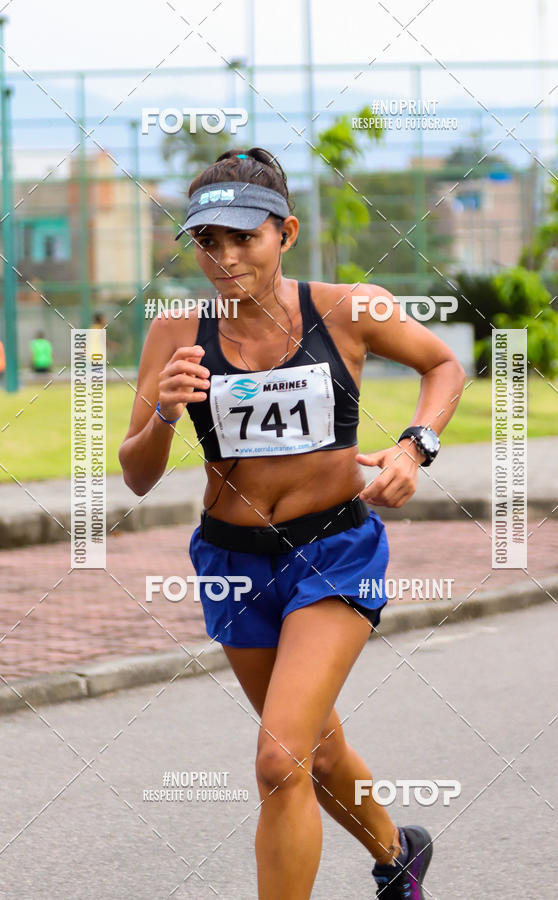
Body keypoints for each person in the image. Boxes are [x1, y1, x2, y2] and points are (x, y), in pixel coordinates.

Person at [119, 147, 466, 899]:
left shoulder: (347, 308)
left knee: (280, 760)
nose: (226, 256)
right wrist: (164, 415)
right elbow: (138, 476)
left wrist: (415, 446)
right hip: (233, 560)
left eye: (245, 237)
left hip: (332, 550)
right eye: (208, 240)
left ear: (287, 232)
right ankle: (398, 853)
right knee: (318, 747)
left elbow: (444, 365)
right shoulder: (176, 331)